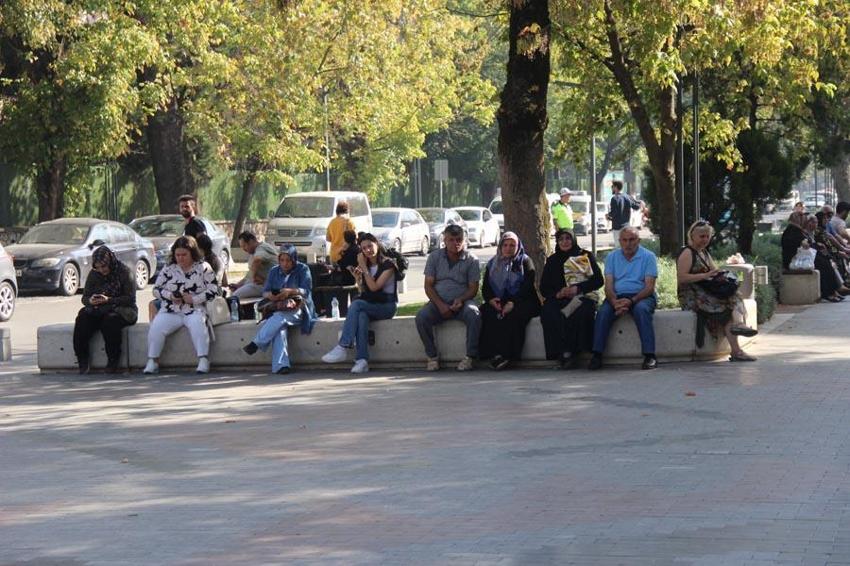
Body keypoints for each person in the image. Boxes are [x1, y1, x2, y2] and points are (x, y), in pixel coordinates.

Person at [677, 221, 758, 363]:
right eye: (702, 236)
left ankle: (737, 338)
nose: (705, 240)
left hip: (706, 291)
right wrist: (704, 276)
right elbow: (682, 278)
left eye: (707, 236)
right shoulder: (687, 252)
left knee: (733, 296)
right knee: (729, 306)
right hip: (691, 294)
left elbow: (714, 271)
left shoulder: (704, 253)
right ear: (692, 236)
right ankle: (738, 334)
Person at [321, 233, 399, 373]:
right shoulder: (367, 265)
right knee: (362, 315)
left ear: (376, 243)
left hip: (388, 306)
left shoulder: (388, 264)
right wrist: (358, 279)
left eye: (370, 246)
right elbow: (366, 291)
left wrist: (363, 267)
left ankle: (343, 345)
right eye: (364, 248)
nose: (368, 250)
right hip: (373, 304)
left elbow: (375, 287)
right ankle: (362, 360)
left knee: (356, 305)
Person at [144, 236, 220, 374]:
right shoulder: (168, 268)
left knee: (198, 325)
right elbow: (156, 289)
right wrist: (170, 296)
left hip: (195, 309)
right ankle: (152, 361)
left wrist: (195, 299)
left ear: (192, 253)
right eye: (177, 255)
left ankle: (203, 359)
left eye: (184, 254)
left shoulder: (203, 267)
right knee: (156, 327)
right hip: (170, 310)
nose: (180, 258)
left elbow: (214, 290)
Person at [590, 226, 658, 371]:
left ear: (638, 240)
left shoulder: (648, 257)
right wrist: (614, 302)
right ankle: (596, 355)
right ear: (620, 241)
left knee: (641, 310)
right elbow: (608, 286)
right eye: (625, 240)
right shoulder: (612, 257)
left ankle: (650, 356)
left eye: (632, 240)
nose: (628, 243)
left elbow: (649, 287)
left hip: (641, 296)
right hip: (617, 296)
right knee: (603, 313)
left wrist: (632, 301)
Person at [242, 245, 317, 374]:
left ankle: (257, 343)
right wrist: (271, 295)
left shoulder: (303, 269)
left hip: (299, 307)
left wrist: (290, 291)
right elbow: (265, 292)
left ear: (294, 259)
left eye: (288, 260)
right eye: (282, 260)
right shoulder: (274, 271)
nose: (285, 264)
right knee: (279, 328)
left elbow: (306, 291)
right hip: (279, 307)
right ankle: (281, 366)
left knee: (280, 318)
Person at [415, 224, 481, 371]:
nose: (455, 243)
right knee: (421, 317)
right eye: (451, 239)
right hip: (439, 302)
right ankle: (432, 357)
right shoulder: (434, 257)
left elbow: (473, 288)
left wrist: (461, 300)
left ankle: (470, 357)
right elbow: (428, 286)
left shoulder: (472, 260)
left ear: (464, 240)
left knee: (474, 314)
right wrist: (440, 305)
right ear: (444, 240)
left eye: (459, 239)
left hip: (462, 302)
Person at [539, 229, 603, 369]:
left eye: (568, 238)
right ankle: (560, 353)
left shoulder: (585, 256)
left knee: (582, 310)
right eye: (561, 239)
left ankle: (576, 351)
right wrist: (557, 293)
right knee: (549, 312)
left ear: (573, 239)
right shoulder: (552, 261)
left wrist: (578, 288)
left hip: (582, 296)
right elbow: (544, 288)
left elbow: (598, 280)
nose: (565, 242)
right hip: (559, 298)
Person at [478, 232, 540, 370]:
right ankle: (492, 354)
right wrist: (491, 300)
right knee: (487, 313)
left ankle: (507, 355)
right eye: (505, 245)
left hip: (523, 300)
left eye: (512, 245)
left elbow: (527, 287)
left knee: (513, 316)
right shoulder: (493, 264)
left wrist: (513, 303)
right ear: (500, 246)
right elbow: (486, 288)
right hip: (499, 300)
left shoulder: (525, 262)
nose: (508, 248)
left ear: (518, 247)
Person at [73, 246, 138, 373]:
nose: (102, 270)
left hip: (122, 310)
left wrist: (108, 300)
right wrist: (90, 300)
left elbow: (129, 298)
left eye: (104, 267)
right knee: (83, 318)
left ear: (110, 262)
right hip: (99, 308)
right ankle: (82, 359)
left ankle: (113, 361)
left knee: (110, 322)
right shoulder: (94, 274)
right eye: (98, 267)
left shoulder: (124, 272)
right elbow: (85, 297)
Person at [781, 211, 844, 302]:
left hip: (800, 257)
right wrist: (805, 243)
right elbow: (799, 243)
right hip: (795, 261)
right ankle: (828, 293)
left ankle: (832, 291)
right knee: (823, 264)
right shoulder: (792, 230)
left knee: (825, 261)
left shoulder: (796, 229)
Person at [229, 231, 278, 299]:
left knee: (234, 297)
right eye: (242, 247)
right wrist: (238, 284)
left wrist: (254, 277)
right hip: (258, 284)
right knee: (233, 293)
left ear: (252, 241)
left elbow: (257, 260)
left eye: (245, 246)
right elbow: (249, 275)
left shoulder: (262, 248)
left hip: (268, 285)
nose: (244, 249)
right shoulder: (253, 253)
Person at [608, 180, 644, 247]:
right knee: (626, 246)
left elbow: (614, 212)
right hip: (626, 227)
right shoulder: (627, 197)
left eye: (612, 186)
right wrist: (641, 205)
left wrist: (608, 216)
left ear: (616, 187)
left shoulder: (614, 199)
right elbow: (636, 207)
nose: (612, 188)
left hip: (617, 227)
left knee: (618, 247)